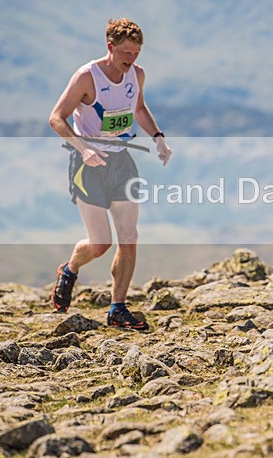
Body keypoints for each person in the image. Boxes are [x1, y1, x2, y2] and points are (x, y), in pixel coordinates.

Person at [48, 18, 172, 330]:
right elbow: (56, 118)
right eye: (125, 53)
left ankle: (118, 308)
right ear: (110, 47)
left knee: (129, 237)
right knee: (100, 243)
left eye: (136, 53)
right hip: (88, 165)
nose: (130, 59)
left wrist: (158, 138)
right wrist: (83, 148)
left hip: (122, 162)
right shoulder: (87, 77)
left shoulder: (137, 75)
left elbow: (139, 109)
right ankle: (71, 268)